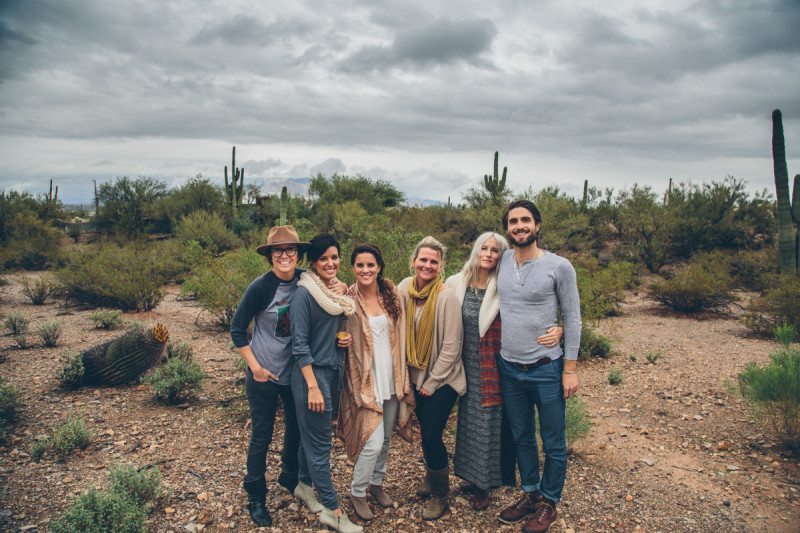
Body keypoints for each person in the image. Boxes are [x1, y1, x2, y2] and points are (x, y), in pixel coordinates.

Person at [447, 232, 564, 511]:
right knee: (469, 421)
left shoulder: (505, 284)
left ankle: (487, 485)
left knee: (490, 423)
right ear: (475, 251)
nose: (488, 254)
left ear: (503, 256)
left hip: (496, 363)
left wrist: (559, 328)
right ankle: (471, 476)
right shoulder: (456, 282)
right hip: (464, 362)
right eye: (483, 249)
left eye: (495, 250)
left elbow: (532, 310)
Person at [496, 200, 581, 533]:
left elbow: (572, 317)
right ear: (507, 229)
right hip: (509, 367)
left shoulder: (559, 267)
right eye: (513, 221)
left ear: (537, 225)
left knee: (554, 440)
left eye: (525, 220)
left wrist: (570, 368)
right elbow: (469, 281)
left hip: (546, 368)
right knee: (521, 437)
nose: (519, 226)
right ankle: (529, 493)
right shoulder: (501, 261)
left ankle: (549, 502)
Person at [230, 225, 309, 527]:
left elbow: (331, 292)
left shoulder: (305, 280)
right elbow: (237, 329)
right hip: (263, 374)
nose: (285, 255)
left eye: (290, 249)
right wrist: (255, 366)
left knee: (296, 428)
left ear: (298, 254)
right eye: (278, 250)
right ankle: (256, 494)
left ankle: (288, 476)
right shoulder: (261, 287)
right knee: (262, 435)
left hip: (294, 373)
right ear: (270, 255)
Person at [336, 243, 415, 521]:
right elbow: (335, 330)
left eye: (371, 265)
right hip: (365, 379)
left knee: (386, 438)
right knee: (371, 440)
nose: (365, 270)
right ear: (353, 268)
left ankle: (377, 484)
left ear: (379, 267)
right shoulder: (347, 298)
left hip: (392, 376)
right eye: (360, 265)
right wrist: (340, 339)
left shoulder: (391, 294)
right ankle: (357, 492)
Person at [290, 234, 362, 533]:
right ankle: (333, 511)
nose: (330, 263)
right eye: (323, 259)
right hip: (311, 376)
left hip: (331, 372)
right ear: (313, 263)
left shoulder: (334, 296)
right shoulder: (304, 295)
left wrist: (339, 342)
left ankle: (304, 486)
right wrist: (313, 386)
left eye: (334, 257)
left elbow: (324, 334)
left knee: (313, 437)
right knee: (320, 446)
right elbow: (299, 346)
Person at [397, 236, 464, 521]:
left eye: (433, 262)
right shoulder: (403, 288)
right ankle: (432, 477)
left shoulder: (446, 296)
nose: (427, 265)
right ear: (414, 261)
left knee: (432, 435)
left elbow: (452, 345)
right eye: (423, 260)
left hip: (444, 379)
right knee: (427, 430)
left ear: (440, 266)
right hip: (415, 376)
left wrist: (432, 382)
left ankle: (441, 496)